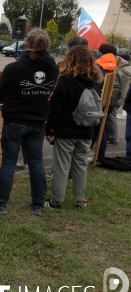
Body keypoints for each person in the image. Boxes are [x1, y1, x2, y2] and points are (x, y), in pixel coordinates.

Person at [0, 29, 59, 216]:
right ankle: (38, 203)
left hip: (14, 120)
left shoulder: (14, 68)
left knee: (9, 162)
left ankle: (0, 202)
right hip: (37, 121)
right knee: (36, 162)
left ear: (27, 45)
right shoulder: (53, 68)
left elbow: (0, 89)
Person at [45, 44, 103, 209]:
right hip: (87, 130)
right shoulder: (95, 82)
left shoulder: (64, 82)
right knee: (80, 165)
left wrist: (50, 130)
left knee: (62, 166)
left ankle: (56, 200)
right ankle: (79, 199)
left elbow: (55, 110)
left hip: (65, 131)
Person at [105, 49, 131, 144]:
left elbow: (116, 86)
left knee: (111, 116)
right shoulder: (129, 69)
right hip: (126, 98)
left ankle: (113, 137)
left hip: (118, 98)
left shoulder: (120, 71)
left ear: (119, 59)